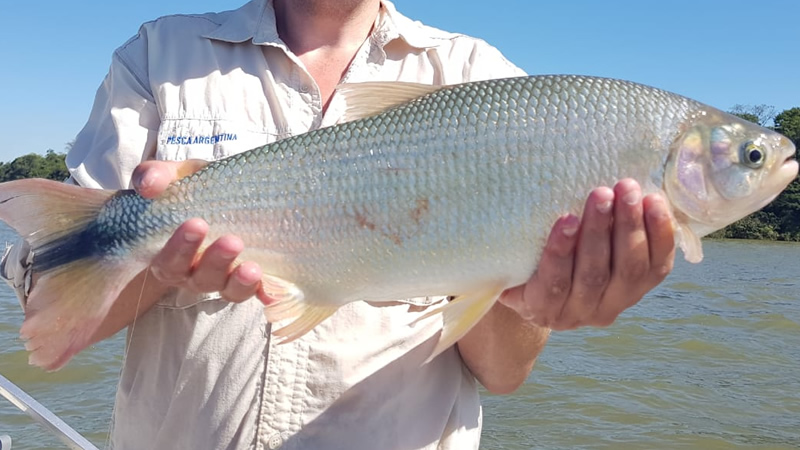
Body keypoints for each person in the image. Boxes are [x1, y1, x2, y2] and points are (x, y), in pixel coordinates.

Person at [1, 0, 675, 448]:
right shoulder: (157, 55)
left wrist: (531, 297)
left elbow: (503, 372)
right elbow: (53, 299)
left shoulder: (482, 77)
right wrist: (155, 261)